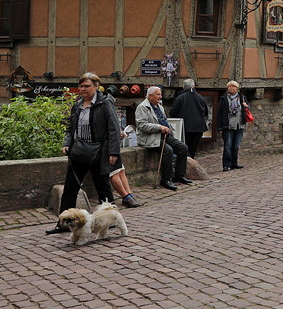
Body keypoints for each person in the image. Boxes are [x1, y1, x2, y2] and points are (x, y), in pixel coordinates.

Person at [47, 74, 120, 235]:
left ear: (96, 86)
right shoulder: (78, 104)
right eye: (81, 86)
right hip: (78, 152)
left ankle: (111, 220)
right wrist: (67, 144)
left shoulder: (105, 103)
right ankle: (63, 224)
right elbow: (70, 128)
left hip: (99, 152)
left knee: (103, 188)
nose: (83, 89)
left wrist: (113, 151)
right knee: (70, 188)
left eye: (86, 86)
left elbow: (114, 128)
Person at [89, 73, 143, 208]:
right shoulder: (91, 104)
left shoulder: (106, 101)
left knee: (120, 170)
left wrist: (117, 133)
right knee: (113, 172)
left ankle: (129, 194)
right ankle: (125, 196)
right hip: (105, 144)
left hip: (112, 142)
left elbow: (112, 124)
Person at [136, 86, 191, 187]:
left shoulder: (159, 106)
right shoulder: (142, 107)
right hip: (150, 137)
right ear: (150, 96)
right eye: (158, 94)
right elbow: (142, 125)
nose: (160, 97)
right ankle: (166, 179)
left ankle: (179, 175)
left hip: (164, 135)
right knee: (167, 150)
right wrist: (159, 127)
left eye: (161, 94)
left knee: (183, 148)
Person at [170, 78, 209, 159]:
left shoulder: (180, 98)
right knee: (193, 149)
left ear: (183, 87)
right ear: (194, 86)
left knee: (184, 148)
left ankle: (185, 165)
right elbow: (206, 113)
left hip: (185, 127)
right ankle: (191, 162)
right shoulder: (201, 97)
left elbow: (172, 113)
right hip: (198, 127)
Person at [216, 80, 252, 168]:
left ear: (237, 88)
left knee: (235, 146)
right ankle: (226, 165)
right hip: (228, 126)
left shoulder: (242, 97)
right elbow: (219, 114)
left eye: (233, 86)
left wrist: (246, 106)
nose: (231, 88)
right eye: (229, 86)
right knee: (228, 146)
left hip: (239, 125)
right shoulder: (224, 99)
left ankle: (234, 164)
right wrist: (219, 127)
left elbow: (248, 107)